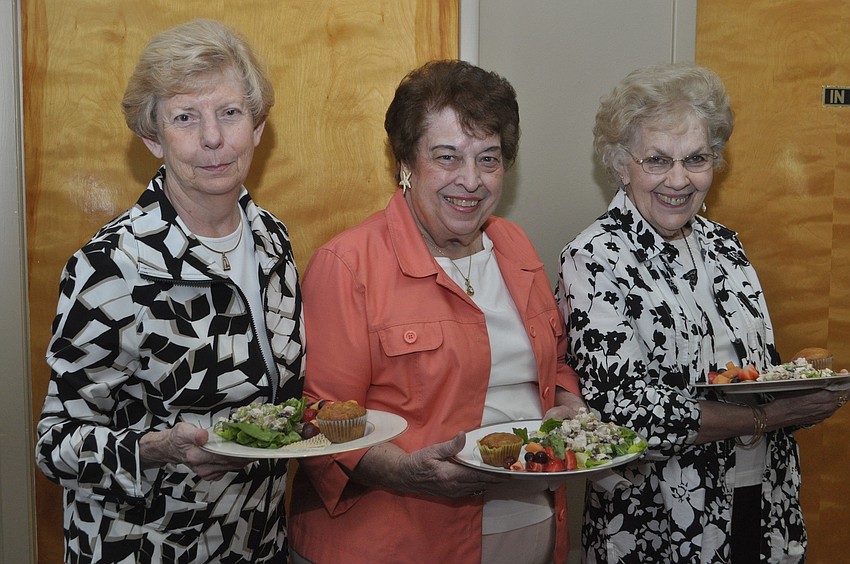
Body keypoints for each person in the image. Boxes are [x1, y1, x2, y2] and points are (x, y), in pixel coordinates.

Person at [287, 60, 585, 564]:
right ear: (406, 161)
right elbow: (321, 420)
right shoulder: (349, 265)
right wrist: (405, 472)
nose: (470, 180)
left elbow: (553, 362)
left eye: (488, 159)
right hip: (396, 540)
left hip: (533, 527)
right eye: (447, 157)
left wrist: (569, 408)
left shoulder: (515, 245)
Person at [556, 62, 849, 563]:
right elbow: (628, 414)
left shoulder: (725, 246)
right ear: (621, 164)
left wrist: (804, 393)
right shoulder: (595, 257)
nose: (678, 179)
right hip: (662, 513)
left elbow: (753, 371)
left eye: (696, 158)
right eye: (656, 160)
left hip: (761, 494)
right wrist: (770, 415)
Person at [35, 19, 304, 563]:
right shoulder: (111, 266)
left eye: (229, 112)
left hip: (257, 541)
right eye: (186, 117)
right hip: (143, 548)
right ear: (153, 137)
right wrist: (158, 449)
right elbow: (55, 444)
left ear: (257, 126)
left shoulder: (273, 241)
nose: (212, 138)